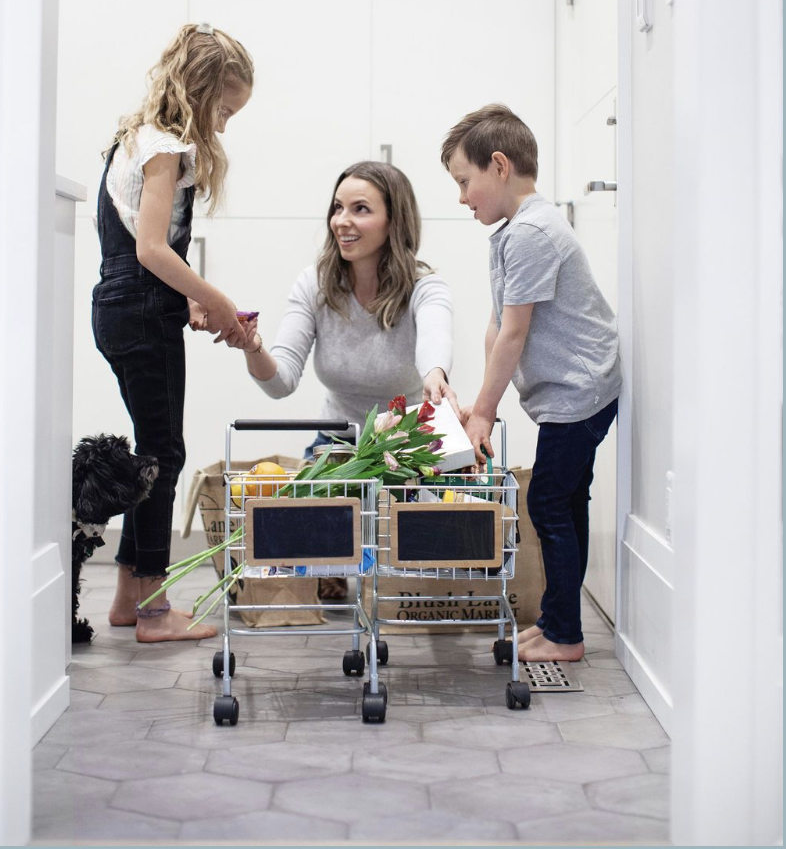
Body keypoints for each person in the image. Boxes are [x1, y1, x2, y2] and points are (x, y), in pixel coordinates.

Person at [92, 22, 255, 642]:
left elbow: (134, 241)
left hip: (123, 306)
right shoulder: (165, 149)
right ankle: (156, 610)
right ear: (200, 92)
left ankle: (127, 598)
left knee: (151, 450)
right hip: (141, 309)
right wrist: (217, 300)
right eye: (224, 110)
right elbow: (152, 250)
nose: (225, 126)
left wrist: (185, 299)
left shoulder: (134, 139)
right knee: (164, 454)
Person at [441, 103, 621, 663]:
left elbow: (515, 334)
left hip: (579, 391)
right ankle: (557, 622)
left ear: (499, 166)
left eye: (464, 181)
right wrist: (481, 406)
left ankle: (564, 634)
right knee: (564, 500)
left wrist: (483, 412)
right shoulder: (513, 232)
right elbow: (498, 325)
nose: (461, 197)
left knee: (547, 501)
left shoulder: (532, 233)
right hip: (576, 389)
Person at [237, 159, 458, 448]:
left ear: (394, 220)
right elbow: (280, 384)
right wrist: (252, 346)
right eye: (338, 207)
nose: (341, 221)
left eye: (360, 209)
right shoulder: (315, 284)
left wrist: (435, 374)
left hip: (404, 451)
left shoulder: (425, 288)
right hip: (334, 447)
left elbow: (434, 338)